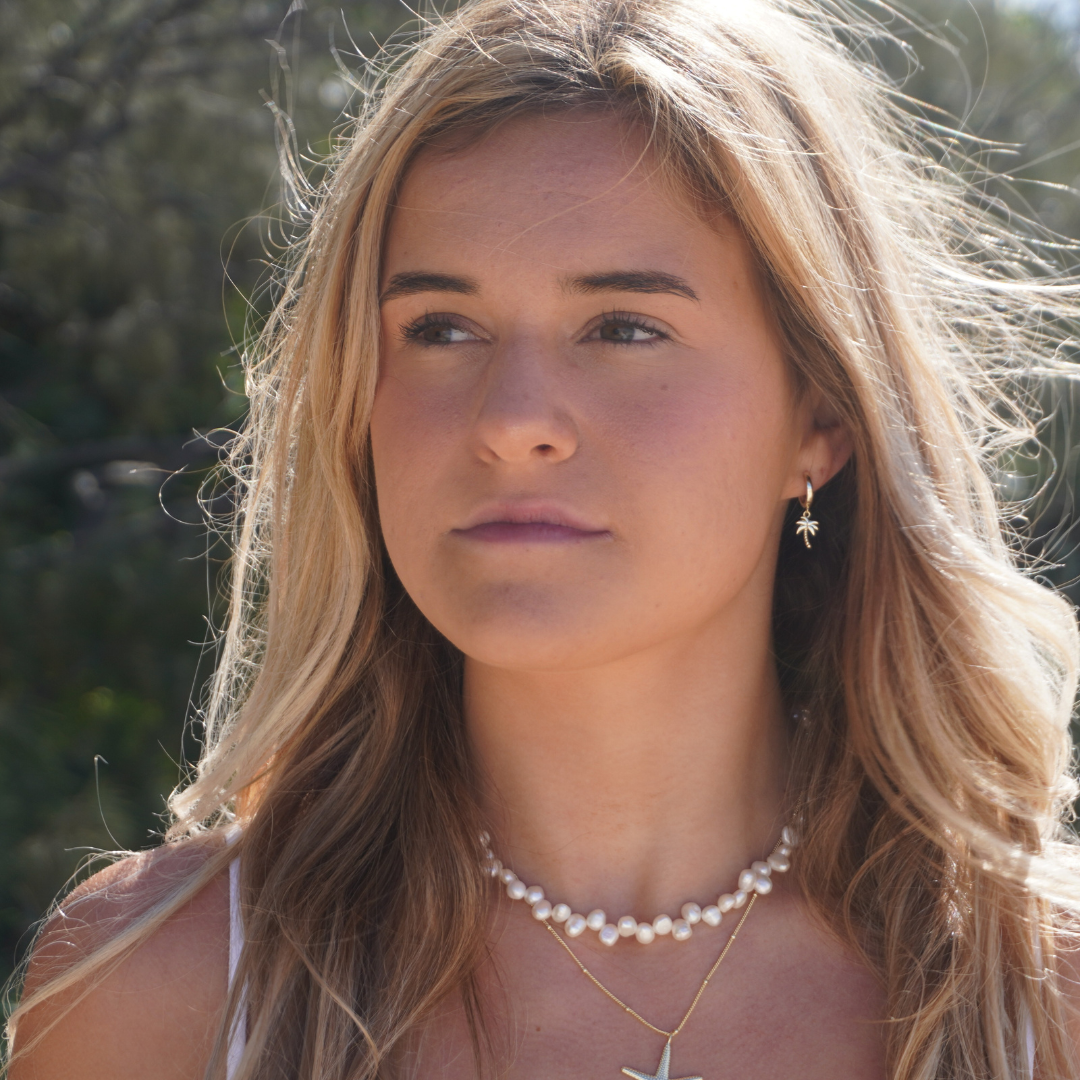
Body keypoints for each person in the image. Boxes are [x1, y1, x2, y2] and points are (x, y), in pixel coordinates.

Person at [7, 0, 1080, 1076]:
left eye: (623, 327)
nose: (512, 418)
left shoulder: (1044, 995)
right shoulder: (160, 985)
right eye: (440, 327)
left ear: (821, 420)